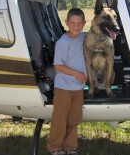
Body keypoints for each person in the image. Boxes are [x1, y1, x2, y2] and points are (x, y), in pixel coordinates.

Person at [47, 8, 87, 155]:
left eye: (79, 23)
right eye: (73, 23)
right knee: (60, 119)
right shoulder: (62, 42)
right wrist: (77, 74)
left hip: (78, 87)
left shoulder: (83, 37)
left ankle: (70, 147)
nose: (76, 26)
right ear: (66, 23)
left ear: (84, 23)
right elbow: (58, 65)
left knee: (75, 118)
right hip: (63, 86)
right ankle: (55, 148)